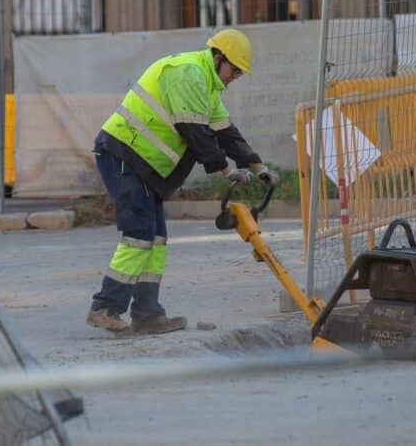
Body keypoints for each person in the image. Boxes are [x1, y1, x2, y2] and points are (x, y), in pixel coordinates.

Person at [87, 28, 279, 335]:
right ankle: (105, 307)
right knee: (139, 232)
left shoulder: (208, 88)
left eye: (240, 73)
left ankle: (147, 315)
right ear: (218, 58)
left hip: (145, 166)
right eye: (234, 70)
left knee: (157, 238)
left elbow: (226, 133)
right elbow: (194, 132)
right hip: (122, 153)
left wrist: (257, 166)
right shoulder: (188, 73)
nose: (235, 77)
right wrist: (226, 172)